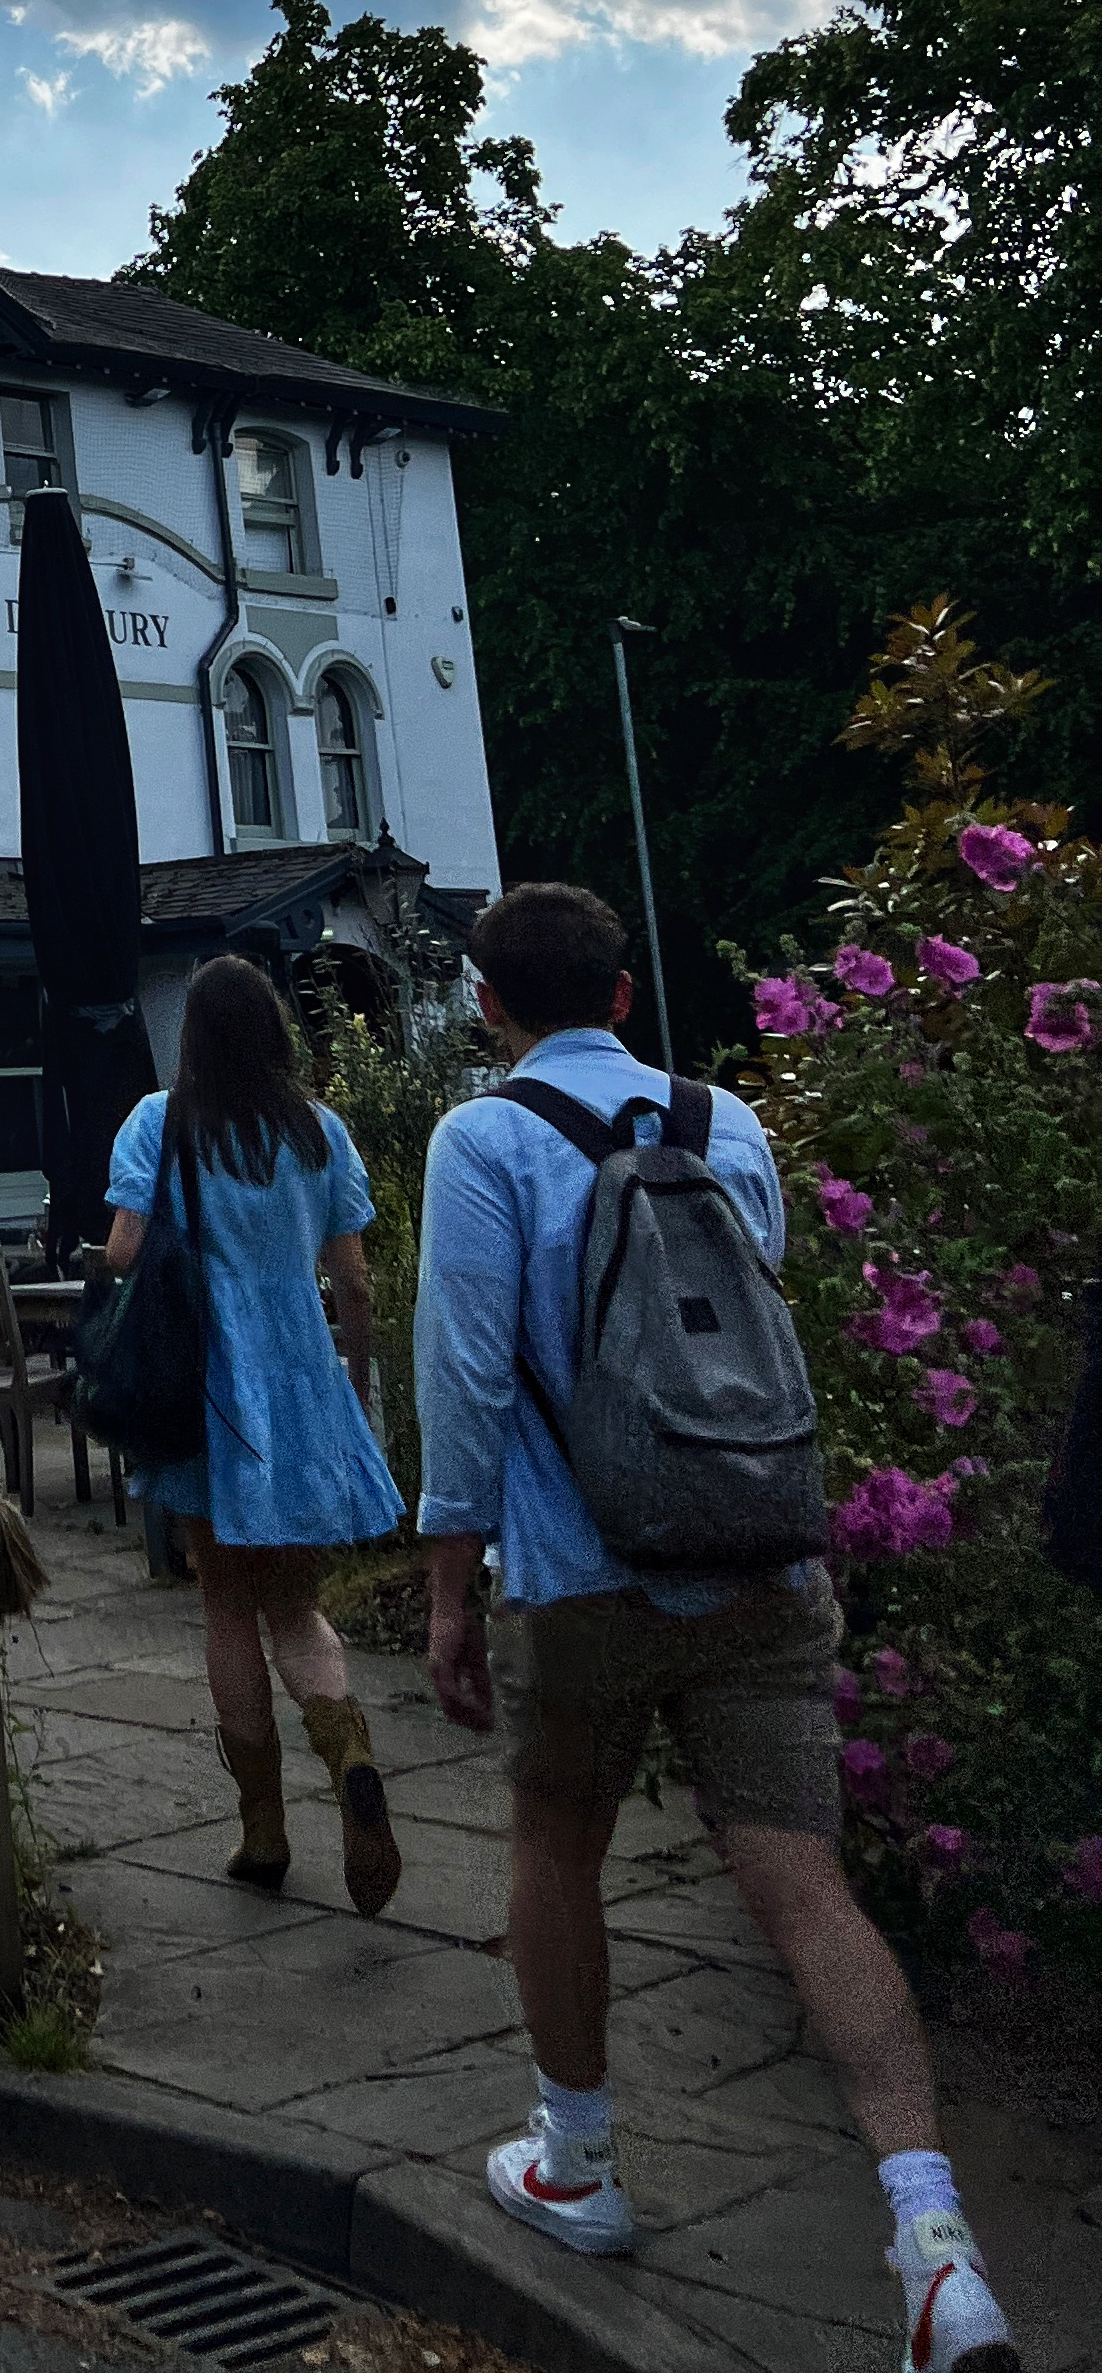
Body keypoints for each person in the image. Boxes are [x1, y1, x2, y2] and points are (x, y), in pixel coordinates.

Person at [415, 881, 1022, 2372]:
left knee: (558, 1846)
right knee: (807, 1892)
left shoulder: (483, 1139)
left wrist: (446, 1586)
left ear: (489, 1009)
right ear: (625, 996)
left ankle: (579, 2163)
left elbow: (467, 1376)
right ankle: (937, 2248)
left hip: (584, 1576)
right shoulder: (725, 1123)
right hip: (757, 1563)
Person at [105, 953, 409, 1914]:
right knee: (295, 1606)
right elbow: (352, 1279)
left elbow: (123, 1250)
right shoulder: (319, 1131)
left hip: (204, 1392)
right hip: (300, 1382)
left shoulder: (160, 1123)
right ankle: (349, 1752)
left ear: (191, 1036)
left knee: (226, 1607)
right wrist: (352, 1387)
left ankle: (264, 1832)